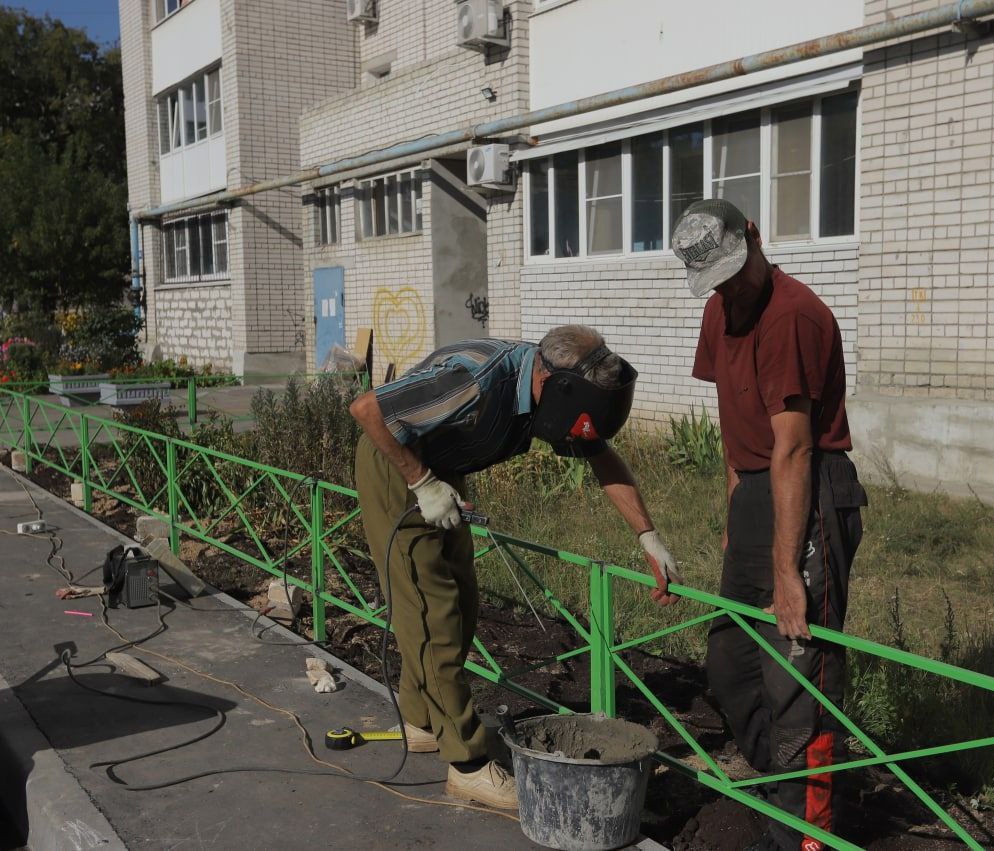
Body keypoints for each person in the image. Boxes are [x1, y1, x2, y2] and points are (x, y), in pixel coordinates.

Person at [349, 326, 681, 810]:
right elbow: (368, 409)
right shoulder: (476, 379)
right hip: (397, 467)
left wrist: (648, 538)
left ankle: (423, 721)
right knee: (429, 611)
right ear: (551, 384)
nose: (571, 434)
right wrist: (422, 483)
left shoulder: (552, 387)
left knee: (462, 601)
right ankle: (465, 765)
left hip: (440, 471)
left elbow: (599, 454)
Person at [672, 199, 867, 851]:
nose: (729, 288)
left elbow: (794, 447)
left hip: (810, 490)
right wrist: (736, 517)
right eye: (715, 280)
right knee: (731, 659)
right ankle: (780, 783)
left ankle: (807, 831)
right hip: (759, 493)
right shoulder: (718, 311)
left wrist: (787, 572)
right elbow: (737, 427)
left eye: (734, 269)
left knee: (797, 671)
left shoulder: (793, 315)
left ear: (754, 236)